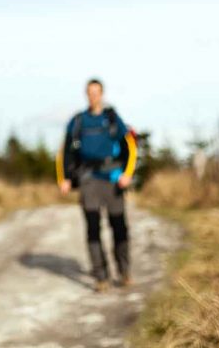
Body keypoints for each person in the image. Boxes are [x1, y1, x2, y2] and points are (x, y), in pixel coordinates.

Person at [56, 78, 137, 292]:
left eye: (97, 92)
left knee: (119, 226)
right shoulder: (78, 121)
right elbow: (65, 151)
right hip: (88, 179)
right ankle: (101, 276)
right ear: (86, 94)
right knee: (93, 228)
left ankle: (124, 270)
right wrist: (64, 178)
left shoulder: (112, 118)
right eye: (90, 92)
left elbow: (130, 146)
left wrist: (128, 174)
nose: (93, 96)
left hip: (113, 178)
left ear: (102, 94)